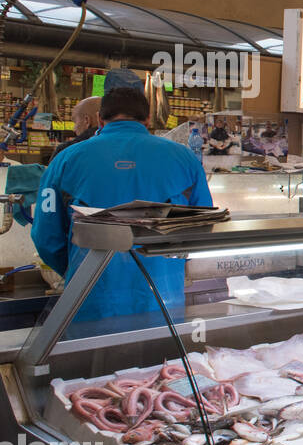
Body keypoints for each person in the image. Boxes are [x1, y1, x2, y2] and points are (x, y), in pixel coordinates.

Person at [33, 83, 212, 326]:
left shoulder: (65, 160)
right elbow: (203, 229)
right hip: (163, 299)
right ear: (148, 119)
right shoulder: (186, 159)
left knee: (94, 363)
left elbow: (46, 237)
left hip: (90, 299)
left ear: (99, 119)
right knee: (161, 365)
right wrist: (171, 266)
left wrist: (78, 270)